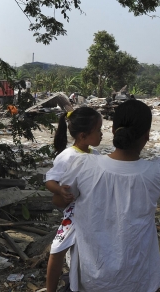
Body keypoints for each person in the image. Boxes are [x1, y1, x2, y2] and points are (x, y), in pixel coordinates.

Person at [59, 100, 160, 292]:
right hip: (139, 278)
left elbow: (59, 201)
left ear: (113, 129)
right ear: (147, 135)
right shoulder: (156, 171)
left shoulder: (84, 165)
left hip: (92, 276)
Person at [45, 107, 103, 292]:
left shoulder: (96, 155)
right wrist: (60, 190)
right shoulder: (68, 156)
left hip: (92, 210)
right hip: (74, 211)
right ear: (83, 135)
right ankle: (50, 289)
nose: (102, 134)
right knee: (58, 248)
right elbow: (49, 180)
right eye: (99, 130)